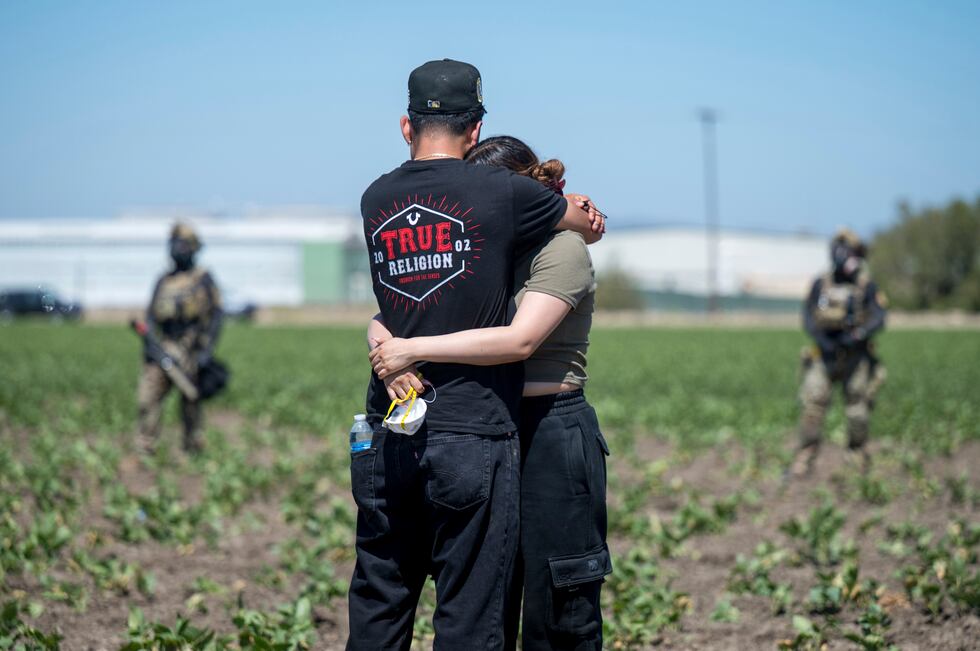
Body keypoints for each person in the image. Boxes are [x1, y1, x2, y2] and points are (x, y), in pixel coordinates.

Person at [347, 60, 604, 651]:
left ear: (406, 127)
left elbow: (408, 311)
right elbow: (583, 222)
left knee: (382, 596)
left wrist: (394, 345)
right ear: (476, 130)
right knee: (471, 614)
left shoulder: (374, 199)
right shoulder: (495, 199)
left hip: (409, 418)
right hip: (470, 426)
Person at [788, 228, 887, 476]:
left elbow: (879, 317)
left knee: (857, 410)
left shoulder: (866, 286)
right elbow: (808, 317)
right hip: (824, 356)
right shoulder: (821, 285)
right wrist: (823, 340)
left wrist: (858, 335)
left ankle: (857, 461)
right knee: (812, 406)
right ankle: (803, 461)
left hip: (855, 357)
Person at [137, 222, 223, 454]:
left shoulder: (202, 279)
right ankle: (146, 446)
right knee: (148, 398)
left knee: (191, 401)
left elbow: (216, 316)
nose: (176, 249)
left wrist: (206, 351)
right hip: (162, 348)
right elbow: (151, 315)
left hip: (190, 350)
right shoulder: (163, 281)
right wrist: (150, 343)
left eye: (182, 245)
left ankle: (192, 447)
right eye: (173, 244)